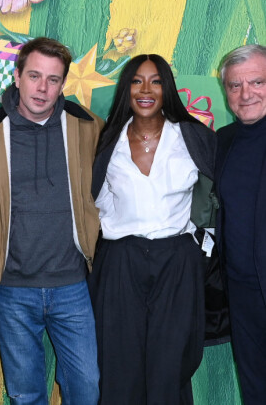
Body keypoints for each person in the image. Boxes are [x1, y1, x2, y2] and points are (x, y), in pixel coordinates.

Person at [0, 37, 101, 405]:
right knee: (26, 395)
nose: (42, 88)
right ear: (17, 75)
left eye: (53, 80)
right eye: (35, 76)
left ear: (63, 84)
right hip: (11, 287)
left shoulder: (88, 127)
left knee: (86, 388)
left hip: (72, 283)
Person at [90, 54, 215, 404]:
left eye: (156, 81)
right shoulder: (106, 141)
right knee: (118, 363)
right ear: (126, 88)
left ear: (167, 89)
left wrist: (202, 249)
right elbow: (95, 201)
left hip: (176, 261)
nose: (146, 90)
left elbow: (218, 196)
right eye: (136, 81)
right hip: (120, 261)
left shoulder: (192, 137)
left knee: (169, 366)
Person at [215, 44, 266, 404]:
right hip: (241, 290)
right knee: (254, 386)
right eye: (235, 86)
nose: (246, 93)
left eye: (257, 82)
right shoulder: (223, 141)